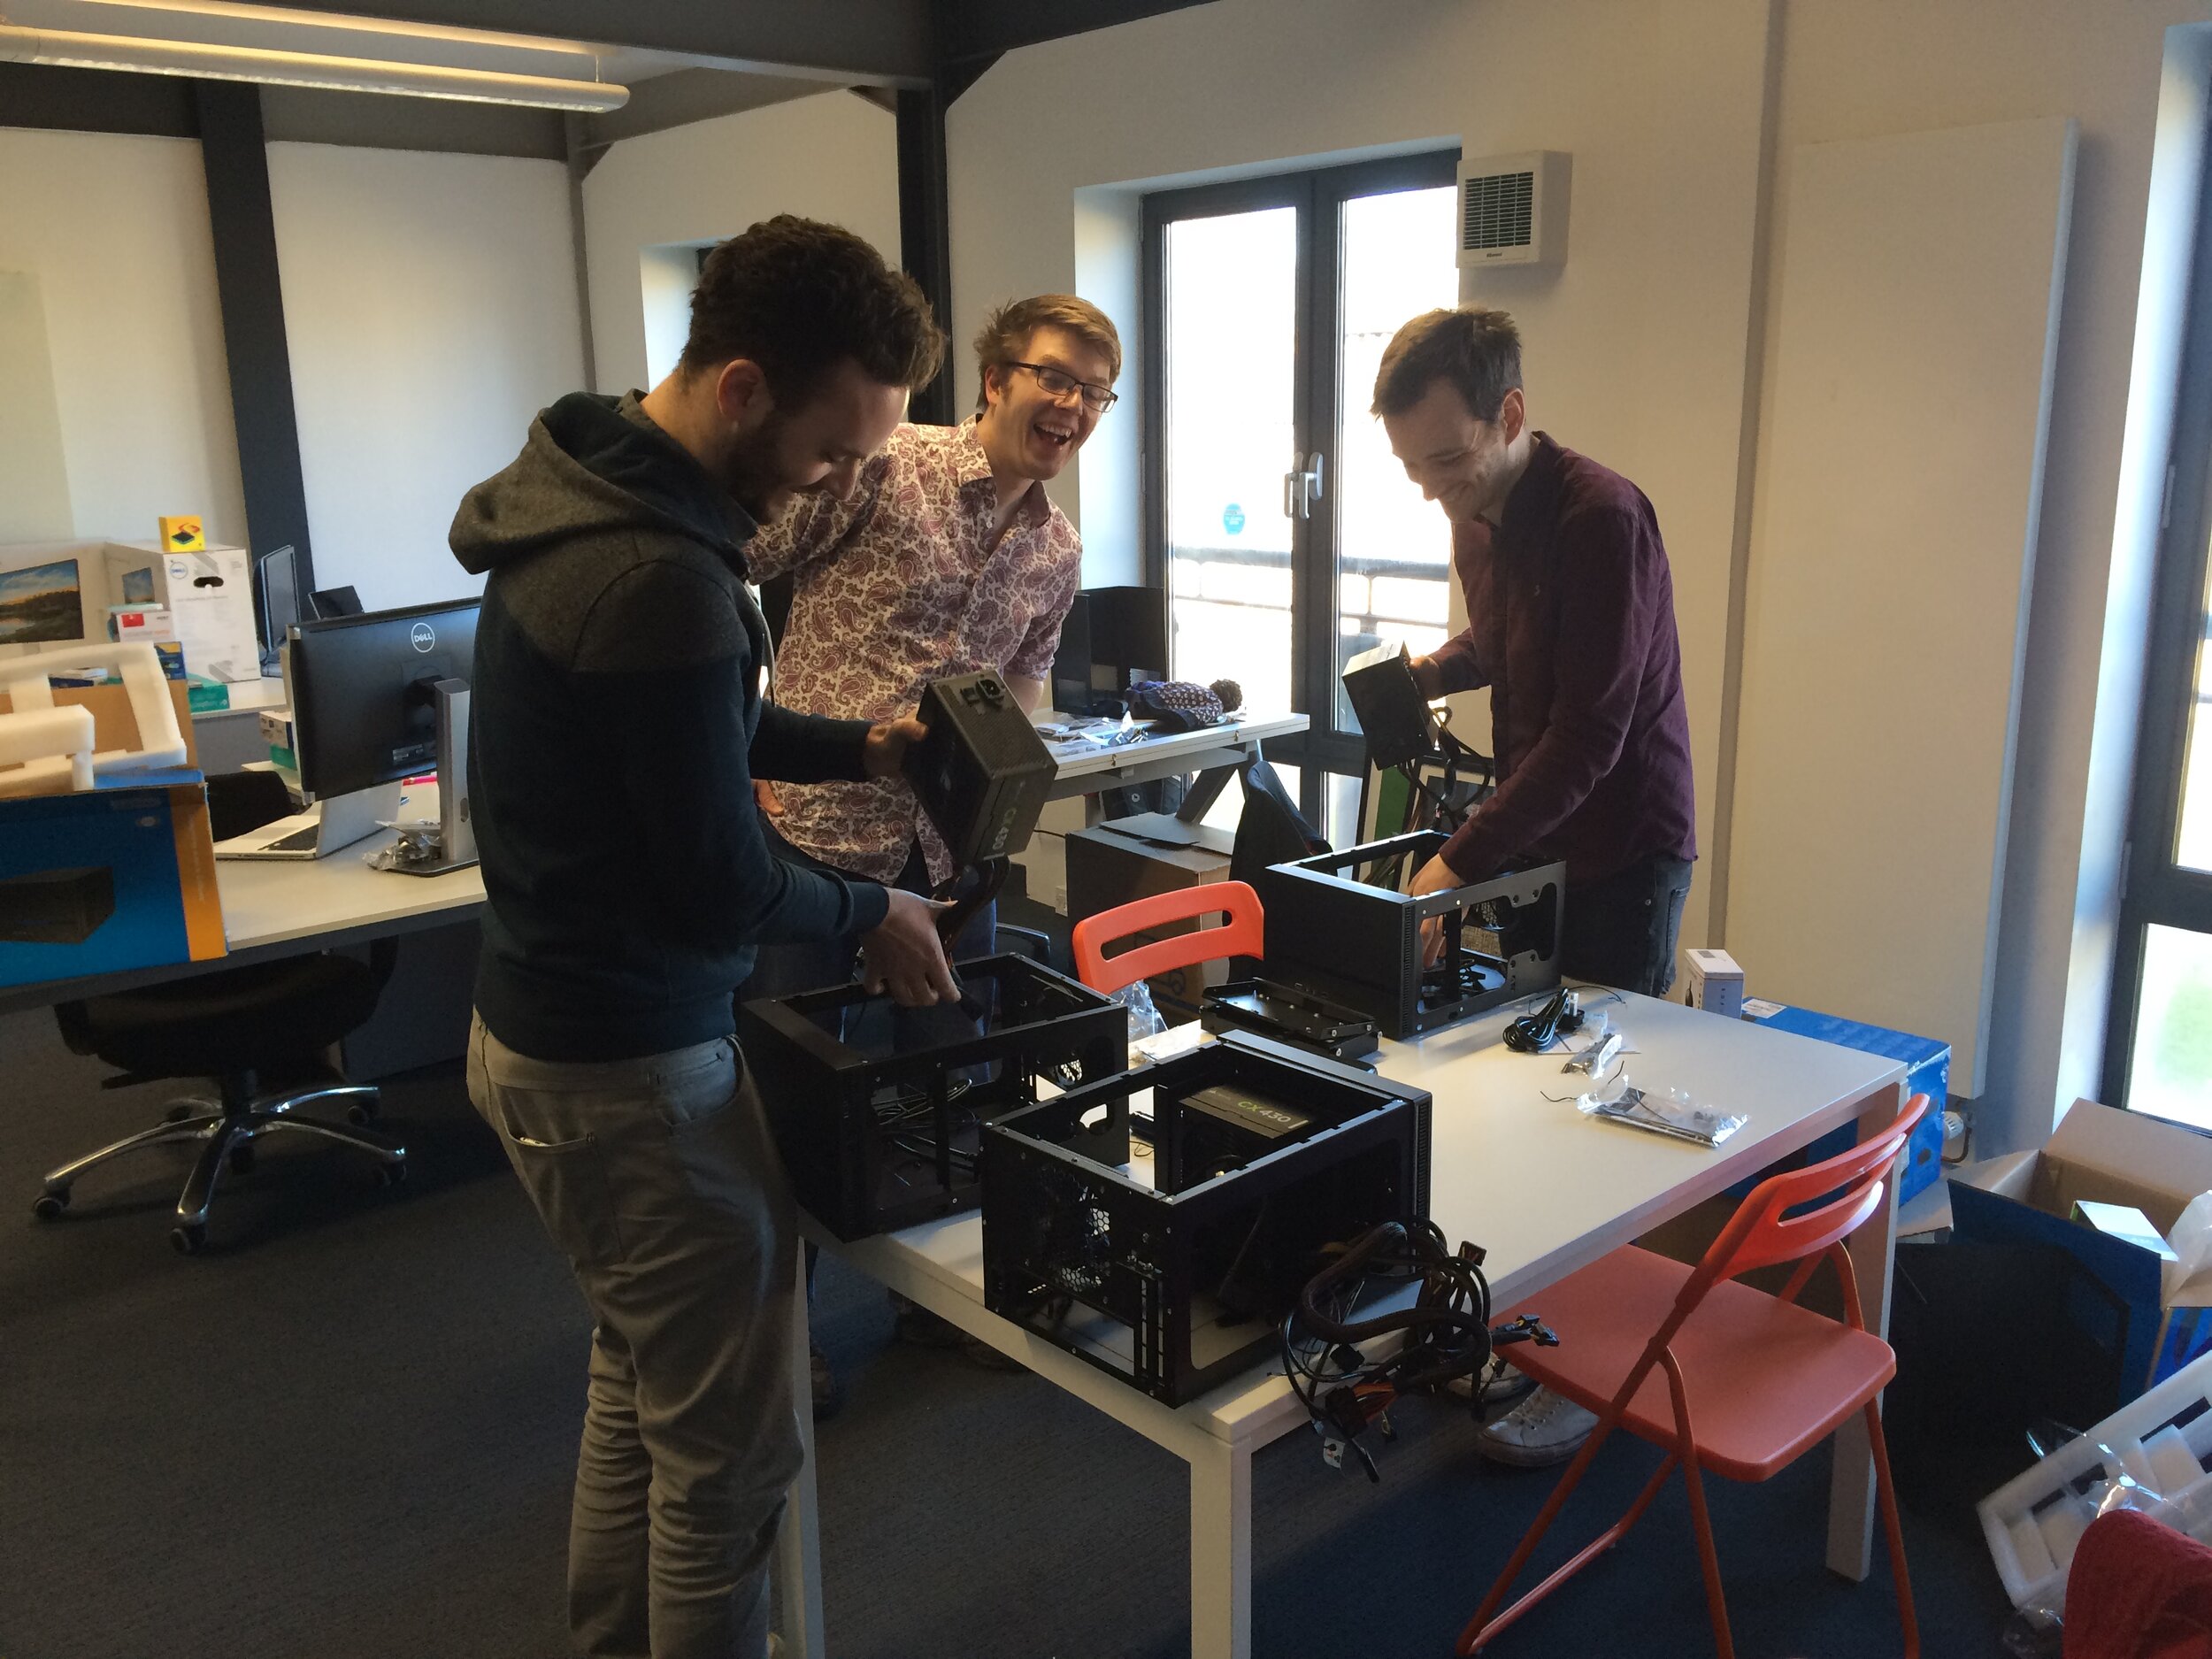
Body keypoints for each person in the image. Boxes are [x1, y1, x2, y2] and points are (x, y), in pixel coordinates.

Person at [450, 215, 958, 1659]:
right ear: (742, 388)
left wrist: (866, 748)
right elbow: (723, 884)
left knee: (644, 1388)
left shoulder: (591, 500)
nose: (845, 481)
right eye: (833, 450)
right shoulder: (660, 579)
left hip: (546, 1041)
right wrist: (876, 910)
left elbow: (705, 723)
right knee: (731, 1464)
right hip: (630, 1076)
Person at [736, 296, 1121, 1381]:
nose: (1071, 405)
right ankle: (776, 1340)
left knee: (958, 1086)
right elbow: (747, 551)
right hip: (811, 834)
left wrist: (1012, 776)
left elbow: (1028, 676)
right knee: (791, 1103)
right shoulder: (883, 462)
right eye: (1054, 376)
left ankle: (948, 1305)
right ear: (995, 380)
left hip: (949, 851)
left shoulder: (1057, 547)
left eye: (1093, 391)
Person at [1371, 305, 1696, 1469]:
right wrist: (1435, 665)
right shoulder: (1480, 522)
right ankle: (1504, 1317)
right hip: (1539, 832)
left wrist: (1453, 866)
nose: (1435, 489)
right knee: (1514, 1079)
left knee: (1593, 1115)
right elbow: (1509, 647)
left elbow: (1589, 729)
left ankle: (1587, 1363)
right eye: (1414, 468)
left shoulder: (1605, 516)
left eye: (1449, 460)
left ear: (1511, 415)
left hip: (1624, 844)